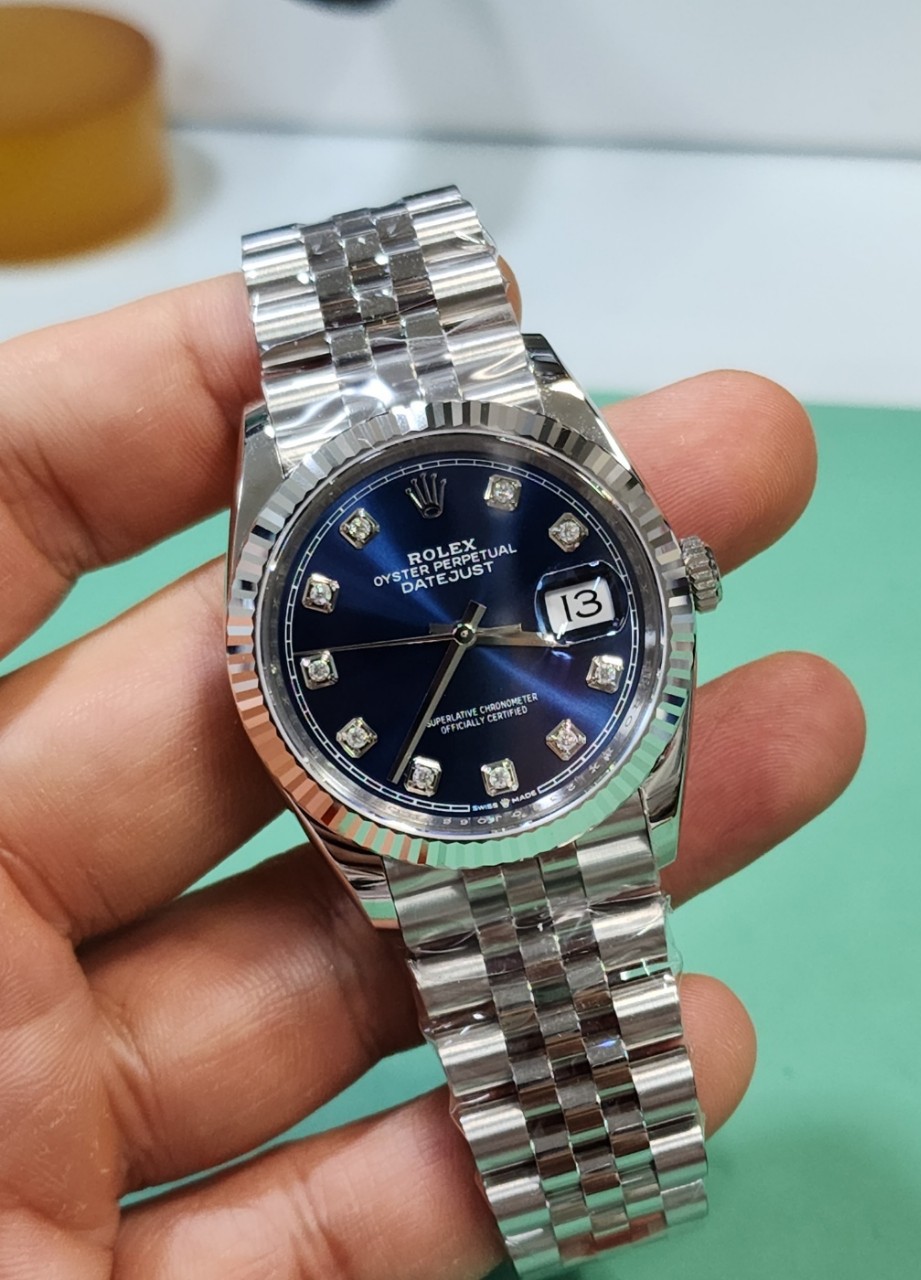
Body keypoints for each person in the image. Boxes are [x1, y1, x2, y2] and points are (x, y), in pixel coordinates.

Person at [0, 272, 865, 1278]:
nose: (459, 632)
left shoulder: (536, 468)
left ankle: (601, 1188)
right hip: (449, 822)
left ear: (677, 576)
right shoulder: (293, 623)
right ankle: (593, 1192)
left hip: (567, 778)